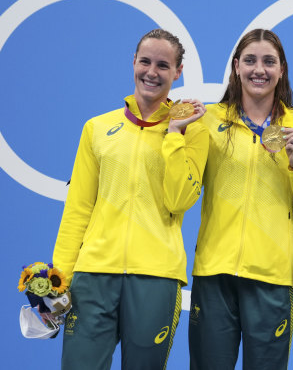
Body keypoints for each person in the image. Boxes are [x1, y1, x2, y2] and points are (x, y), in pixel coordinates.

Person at [52, 28, 209, 370]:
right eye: (145, 62)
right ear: (133, 63)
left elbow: (179, 199)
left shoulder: (194, 129)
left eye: (163, 65)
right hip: (93, 277)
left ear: (178, 72)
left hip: (156, 278)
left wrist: (174, 134)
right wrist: (59, 278)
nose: (152, 72)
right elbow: (78, 208)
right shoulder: (96, 128)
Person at [188, 29, 293, 370]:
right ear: (236, 66)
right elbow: (182, 191)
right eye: (249, 60)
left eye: (268, 62)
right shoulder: (207, 119)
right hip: (214, 272)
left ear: (281, 70)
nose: (258, 69)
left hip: (272, 278)